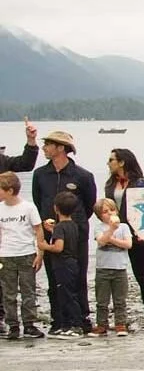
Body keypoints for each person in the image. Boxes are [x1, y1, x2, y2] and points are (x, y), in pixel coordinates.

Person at [33, 131, 97, 330]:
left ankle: (81, 318)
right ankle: (58, 320)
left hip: (76, 234)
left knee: (78, 275)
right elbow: (38, 201)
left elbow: (89, 205)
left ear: (60, 148)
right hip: (50, 231)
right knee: (54, 276)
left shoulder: (83, 175)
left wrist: (72, 223)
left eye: (48, 144)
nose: (44, 148)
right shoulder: (41, 174)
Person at [104, 149, 144, 330]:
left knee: (141, 274)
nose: (108, 163)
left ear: (122, 162)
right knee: (116, 274)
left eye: (111, 160)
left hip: (136, 233)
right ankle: (119, 315)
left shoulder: (139, 183)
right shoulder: (110, 184)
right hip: (116, 230)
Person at [0, 172, 44, 338]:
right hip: (6, 255)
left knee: (28, 291)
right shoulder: (0, 208)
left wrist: (40, 254)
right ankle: (13, 325)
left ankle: (29, 324)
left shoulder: (28, 207)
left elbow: (38, 229)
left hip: (26, 253)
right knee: (8, 293)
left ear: (10, 190)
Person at [38, 191, 84, 337]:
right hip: (73, 262)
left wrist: (44, 246)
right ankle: (70, 324)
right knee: (71, 292)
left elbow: (58, 247)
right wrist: (53, 231)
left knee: (67, 295)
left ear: (56, 208)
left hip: (63, 264)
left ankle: (75, 325)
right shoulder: (72, 225)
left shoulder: (59, 227)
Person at [90, 198, 132, 336]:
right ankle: (102, 324)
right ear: (99, 215)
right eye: (105, 212)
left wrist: (112, 239)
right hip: (103, 268)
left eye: (112, 210)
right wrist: (111, 230)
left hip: (120, 268)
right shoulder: (98, 227)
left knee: (120, 300)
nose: (109, 214)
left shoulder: (124, 227)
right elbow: (101, 241)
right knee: (102, 300)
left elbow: (128, 244)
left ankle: (120, 324)